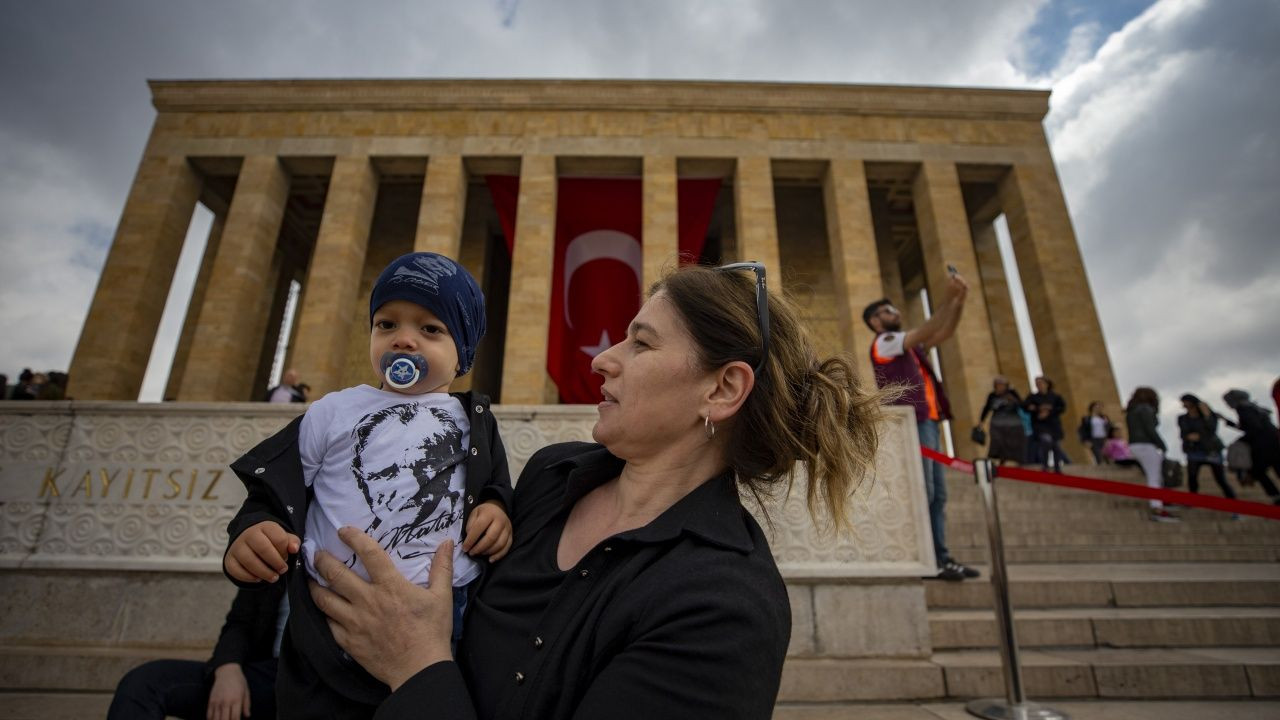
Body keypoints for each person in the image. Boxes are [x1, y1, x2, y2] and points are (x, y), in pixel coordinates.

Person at [304, 262, 884, 719]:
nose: (604, 358)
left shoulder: (725, 608)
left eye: (642, 343)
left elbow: (420, 654)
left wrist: (415, 665)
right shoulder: (550, 478)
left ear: (723, 389)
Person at [224, 252, 514, 719]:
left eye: (430, 329)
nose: (403, 339)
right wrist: (253, 529)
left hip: (449, 612)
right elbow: (273, 487)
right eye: (386, 324)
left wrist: (496, 512)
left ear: (462, 352)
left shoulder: (472, 419)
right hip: (331, 615)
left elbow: (495, 485)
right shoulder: (333, 411)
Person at [862, 274, 980, 582]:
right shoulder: (885, 343)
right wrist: (947, 297)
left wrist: (958, 303)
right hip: (912, 423)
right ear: (876, 322)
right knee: (924, 491)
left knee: (938, 494)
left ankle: (941, 557)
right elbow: (928, 328)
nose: (896, 313)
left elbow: (944, 331)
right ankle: (928, 557)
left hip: (928, 421)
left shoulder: (909, 348)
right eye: (888, 311)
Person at [107, 582, 286, 720]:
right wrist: (227, 668)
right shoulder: (280, 544)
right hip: (270, 674)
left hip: (309, 680)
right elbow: (241, 621)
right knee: (145, 683)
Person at [1222, 389, 1280, 503]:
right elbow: (1250, 426)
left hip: (1263, 445)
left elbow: (1254, 428)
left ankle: (1276, 497)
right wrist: (1230, 423)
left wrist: (1240, 440)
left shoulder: (1243, 409)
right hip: (1273, 442)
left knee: (1258, 471)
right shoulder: (1252, 407)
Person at [1126, 387, 1174, 522]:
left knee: (1154, 476)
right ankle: (1157, 508)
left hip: (1134, 445)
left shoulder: (1132, 410)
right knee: (1155, 477)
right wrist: (1162, 445)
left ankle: (1161, 503)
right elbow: (1150, 429)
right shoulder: (1145, 409)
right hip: (1146, 445)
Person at [1177, 394, 1236, 501]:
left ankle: (1233, 501)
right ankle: (1193, 500)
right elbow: (1183, 434)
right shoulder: (1182, 418)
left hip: (1211, 450)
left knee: (1220, 478)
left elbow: (1212, 430)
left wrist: (1207, 416)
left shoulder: (1209, 416)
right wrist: (1188, 437)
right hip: (1193, 450)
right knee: (1192, 477)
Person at [1024, 376, 1069, 472]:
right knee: (1046, 442)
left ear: (1047, 384)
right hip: (1040, 426)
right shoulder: (1032, 397)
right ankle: (1045, 464)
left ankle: (1057, 468)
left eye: (1040, 383)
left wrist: (1049, 411)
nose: (1038, 385)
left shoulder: (1055, 397)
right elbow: (1025, 406)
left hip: (1053, 425)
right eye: (1037, 384)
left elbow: (1062, 408)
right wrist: (1037, 409)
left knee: (1056, 446)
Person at [978, 376, 1026, 465]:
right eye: (998, 385)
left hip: (1013, 423)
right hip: (997, 423)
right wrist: (981, 421)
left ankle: (1020, 461)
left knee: (1014, 442)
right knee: (998, 441)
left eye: (1002, 384)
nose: (1000, 386)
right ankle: (1002, 461)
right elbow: (987, 408)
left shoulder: (1012, 393)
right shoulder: (992, 395)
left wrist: (1013, 400)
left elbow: (1022, 405)